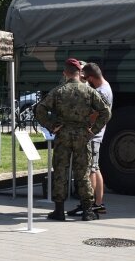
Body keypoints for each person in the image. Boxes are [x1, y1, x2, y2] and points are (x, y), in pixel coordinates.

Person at [35, 58, 111, 222]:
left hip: (63, 135)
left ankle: (59, 211)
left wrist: (51, 126)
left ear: (65, 73)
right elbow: (106, 112)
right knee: (83, 173)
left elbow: (40, 109)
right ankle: (87, 211)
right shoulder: (90, 92)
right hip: (82, 136)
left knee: (60, 172)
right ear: (80, 73)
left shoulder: (58, 91)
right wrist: (93, 130)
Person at [68, 62, 113, 216]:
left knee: (90, 170)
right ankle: (98, 204)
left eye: (87, 78)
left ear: (92, 77)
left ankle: (90, 203)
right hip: (97, 135)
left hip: (92, 135)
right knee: (95, 168)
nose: (86, 81)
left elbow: (94, 114)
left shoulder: (100, 92)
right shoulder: (106, 87)